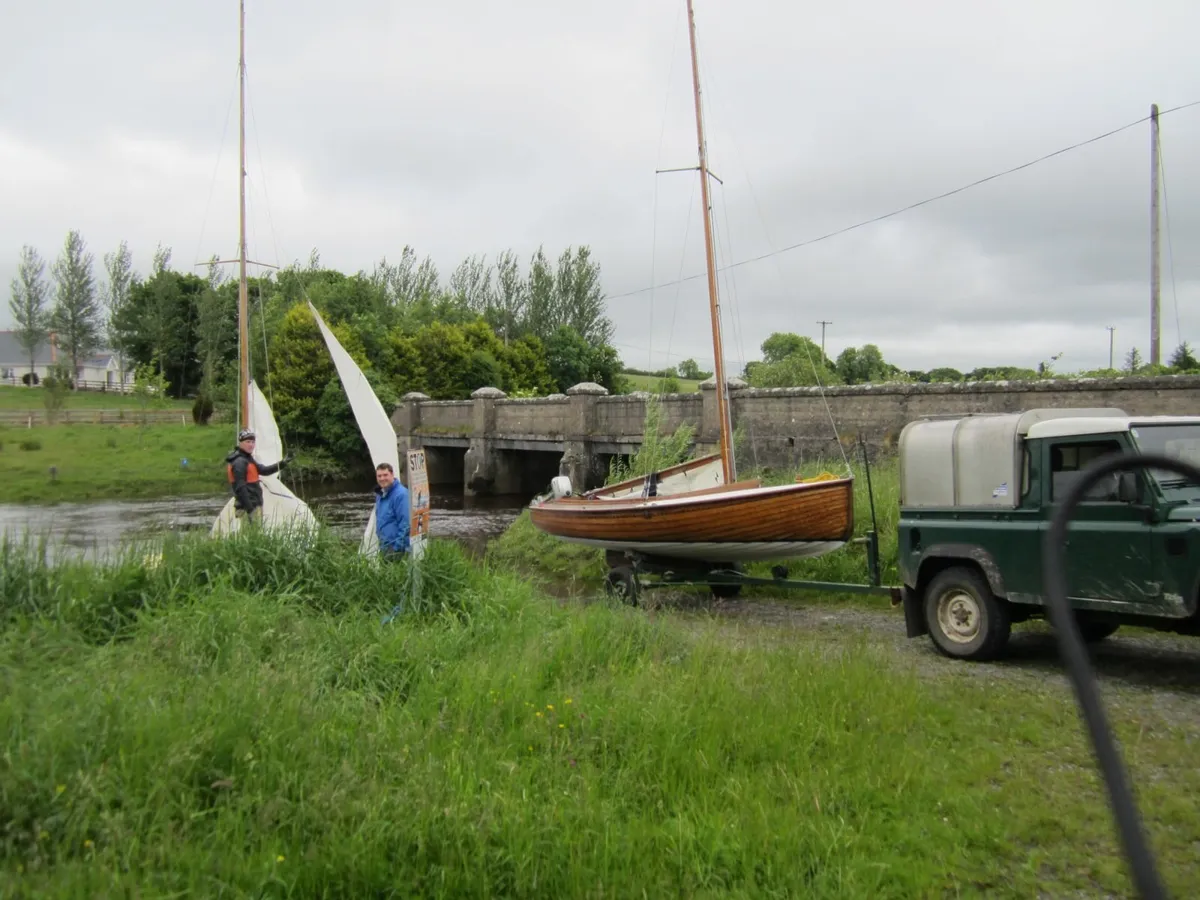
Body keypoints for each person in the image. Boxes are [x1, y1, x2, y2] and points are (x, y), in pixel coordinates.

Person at [225, 429, 293, 524]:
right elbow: (240, 487)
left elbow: (264, 470)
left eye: (253, 442)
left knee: (254, 534)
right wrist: (250, 509)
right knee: (250, 535)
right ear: (240, 443)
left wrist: (283, 463)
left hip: (254, 504)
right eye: (248, 442)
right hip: (248, 507)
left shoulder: (248, 458)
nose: (251, 445)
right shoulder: (239, 462)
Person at [374, 461, 411, 557]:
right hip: (384, 547)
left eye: (385, 475)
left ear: (392, 475)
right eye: (379, 476)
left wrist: (397, 549)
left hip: (396, 550)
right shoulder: (380, 494)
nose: (382, 478)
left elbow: (406, 524)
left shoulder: (401, 495)